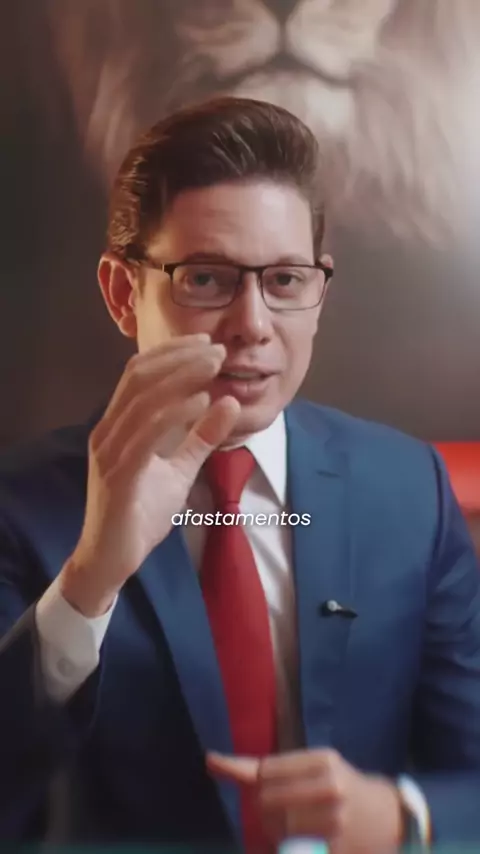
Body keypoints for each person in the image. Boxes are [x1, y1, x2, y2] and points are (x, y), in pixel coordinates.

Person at [0, 96, 479, 854]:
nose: (252, 325)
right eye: (205, 278)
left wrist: (401, 817)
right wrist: (90, 579)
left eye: (284, 280)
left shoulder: (410, 491)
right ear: (124, 294)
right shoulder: (19, 507)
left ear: (319, 293)